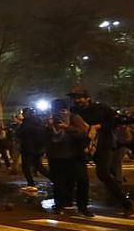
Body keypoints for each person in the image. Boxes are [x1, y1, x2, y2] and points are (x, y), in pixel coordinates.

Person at [68, 86, 134, 217]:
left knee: (103, 173)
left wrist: (98, 126)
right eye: (74, 98)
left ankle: (127, 204)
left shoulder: (102, 108)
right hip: (83, 146)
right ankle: (82, 207)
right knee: (81, 176)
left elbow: (116, 121)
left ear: (87, 98)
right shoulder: (73, 111)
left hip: (103, 145)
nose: (76, 101)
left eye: (79, 97)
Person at [45, 103, 93, 216]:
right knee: (59, 183)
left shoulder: (74, 118)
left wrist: (67, 128)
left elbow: (82, 134)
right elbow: (46, 137)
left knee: (82, 181)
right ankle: (59, 205)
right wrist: (49, 126)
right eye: (56, 110)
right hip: (57, 156)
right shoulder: (50, 120)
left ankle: (82, 206)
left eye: (62, 110)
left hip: (75, 156)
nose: (60, 113)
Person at [17, 107, 49, 193]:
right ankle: (55, 180)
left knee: (26, 167)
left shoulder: (27, 123)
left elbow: (20, 133)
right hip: (38, 148)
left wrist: (19, 125)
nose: (23, 115)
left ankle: (31, 184)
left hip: (28, 148)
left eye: (24, 113)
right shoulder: (39, 122)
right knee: (39, 166)